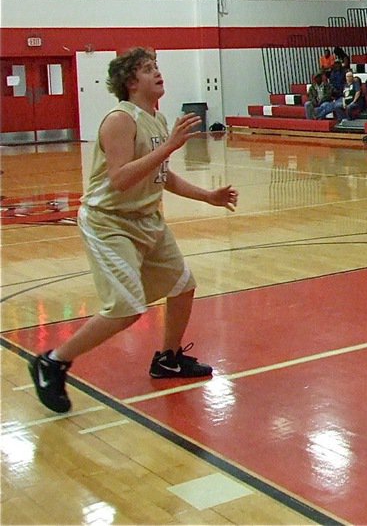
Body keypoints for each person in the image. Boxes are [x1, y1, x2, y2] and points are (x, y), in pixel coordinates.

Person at [29, 48, 237, 414]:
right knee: (125, 308)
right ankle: (53, 361)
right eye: (146, 69)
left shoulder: (155, 119)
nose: (157, 73)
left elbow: (161, 175)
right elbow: (122, 178)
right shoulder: (120, 120)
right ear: (130, 82)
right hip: (109, 221)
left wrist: (208, 196)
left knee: (182, 286)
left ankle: (169, 359)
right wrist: (171, 146)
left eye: (156, 66)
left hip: (146, 220)